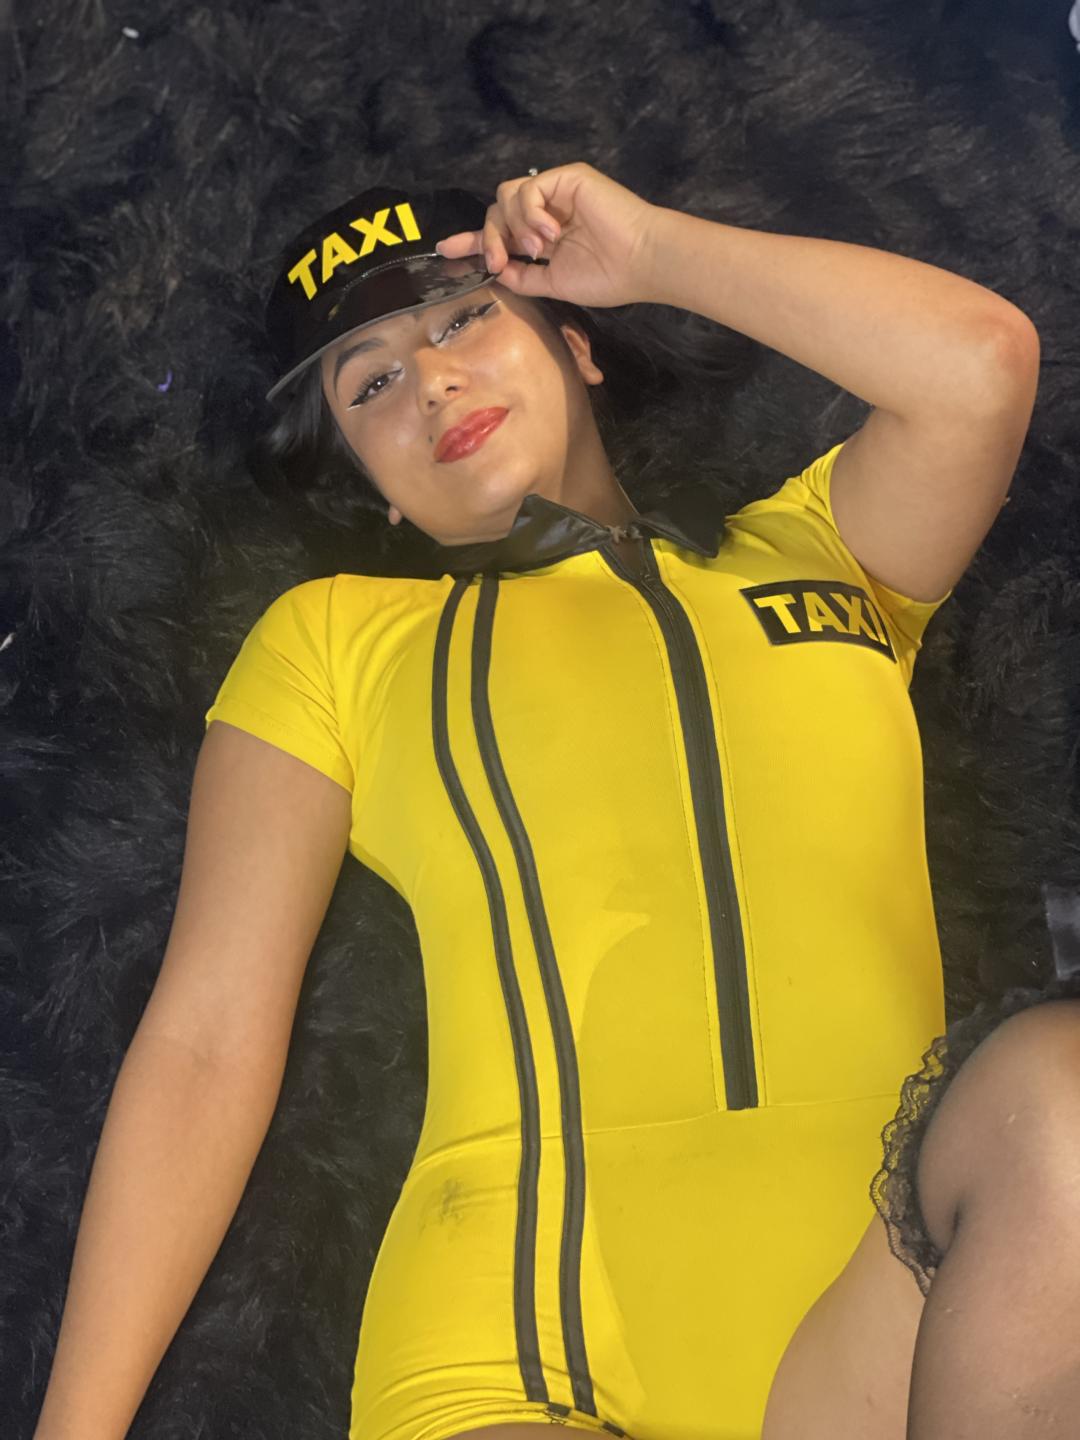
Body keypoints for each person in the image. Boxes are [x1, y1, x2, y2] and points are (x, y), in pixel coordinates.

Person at [34, 161, 1045, 1440]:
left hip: (883, 1324)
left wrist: (656, 251)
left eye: (463, 317)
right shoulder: (337, 643)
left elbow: (981, 366)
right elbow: (204, 1043)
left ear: (579, 345)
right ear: (373, 485)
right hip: (520, 1357)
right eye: (370, 385)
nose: (432, 380)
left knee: (1057, 1094)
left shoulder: (829, 554)